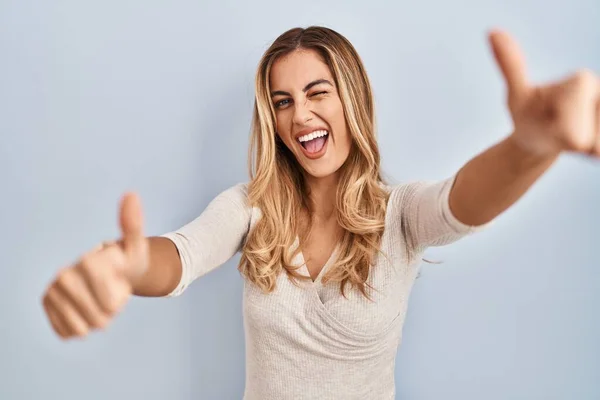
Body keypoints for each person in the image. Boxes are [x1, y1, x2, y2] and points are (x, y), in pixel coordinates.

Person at [41, 26, 599, 399]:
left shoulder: (401, 214)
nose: (299, 115)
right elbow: (181, 255)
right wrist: (124, 266)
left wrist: (530, 147)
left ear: (351, 99)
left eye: (317, 92)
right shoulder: (250, 210)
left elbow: (463, 200)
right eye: (282, 102)